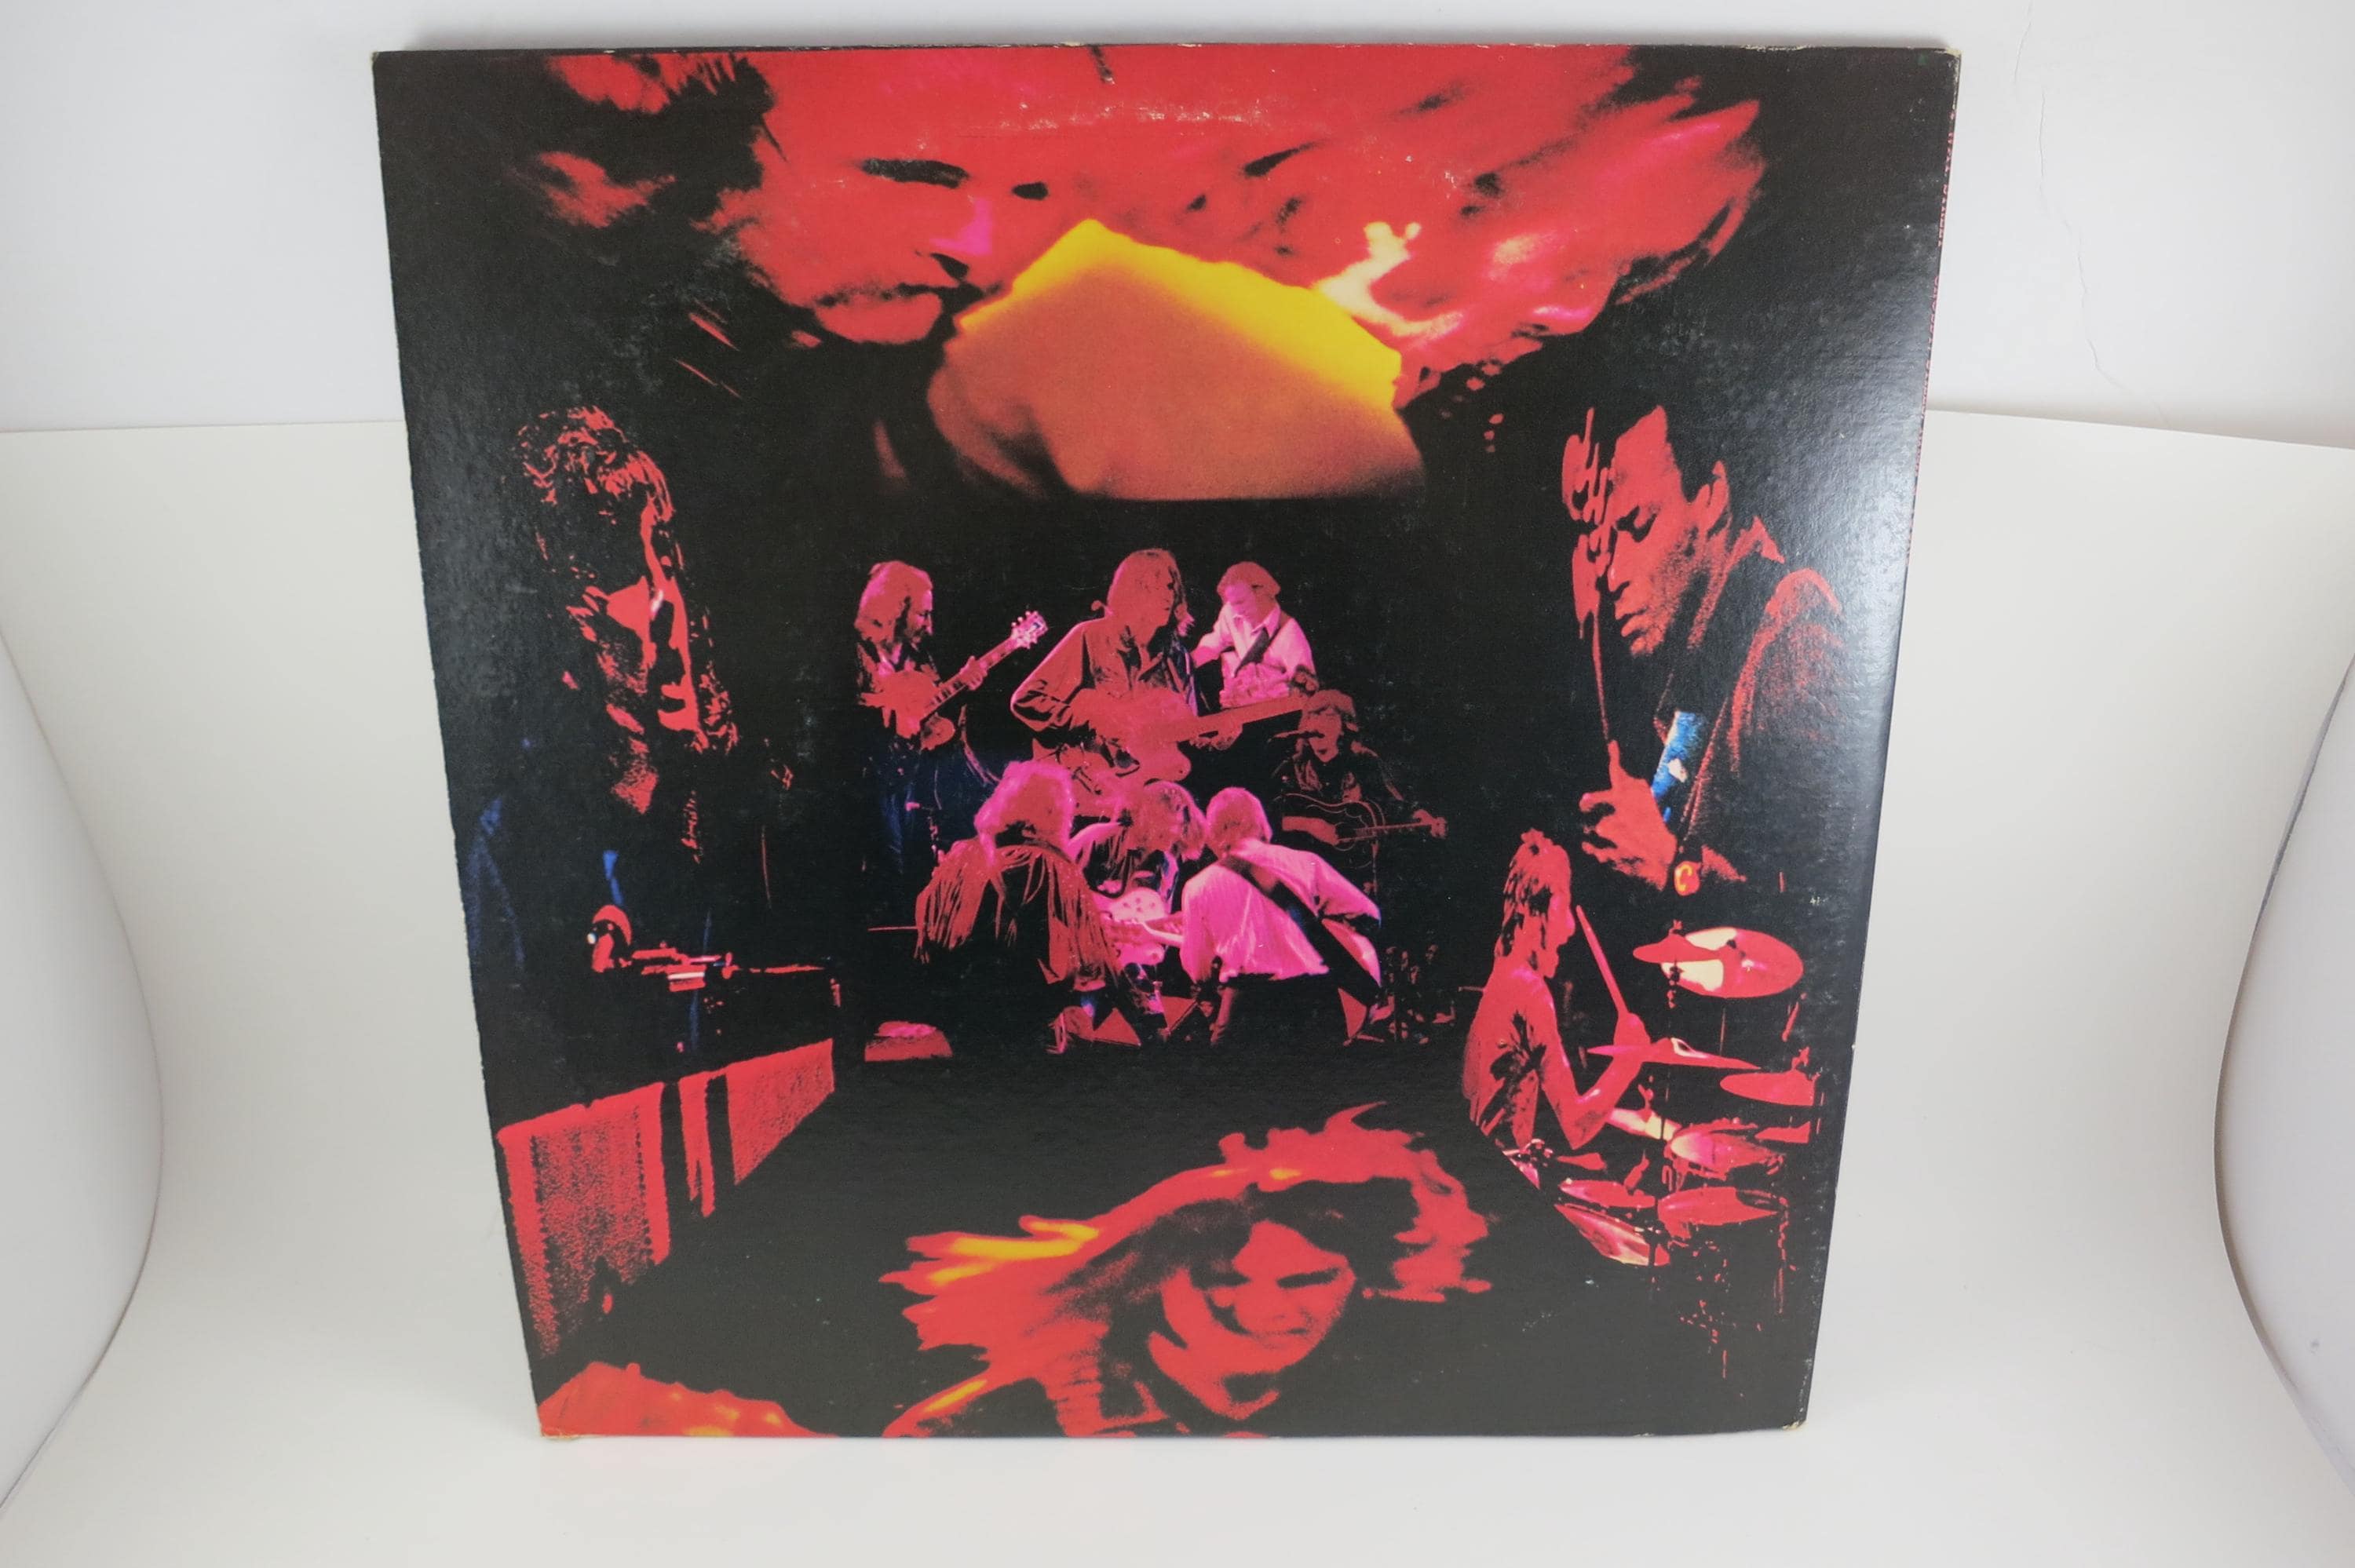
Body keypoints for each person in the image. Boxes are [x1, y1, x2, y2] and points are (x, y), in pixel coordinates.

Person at [884, 1109, 1488, 1435]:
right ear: (1151, 1279)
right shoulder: (983, 1427)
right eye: (1222, 1282)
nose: (1264, 1311)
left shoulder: (1388, 1386)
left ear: (1359, 1279)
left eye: (1307, 1281)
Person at [1564, 405, 1848, 910]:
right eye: (1609, 546)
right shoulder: (1712, 655)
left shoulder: (1794, 640)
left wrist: (1669, 866)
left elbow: (1830, 910)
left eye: (1639, 525)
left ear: (1713, 498)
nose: (1614, 575)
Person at [1462, 832, 1660, 1171]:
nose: (1569, 928)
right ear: (1538, 909)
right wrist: (1629, 1062)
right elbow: (1576, 1126)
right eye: (1563, 905)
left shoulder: (1502, 975)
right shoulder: (1529, 990)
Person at [914, 761, 1120, 1060]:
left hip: (960, 1008)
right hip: (1020, 1013)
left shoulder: (962, 856)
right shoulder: (1051, 865)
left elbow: (929, 929)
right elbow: (1091, 957)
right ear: (1054, 812)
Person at [1012, 549, 1232, 815]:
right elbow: (1027, 699)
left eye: (1170, 587)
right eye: (1153, 587)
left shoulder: (1178, 659)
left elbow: (1185, 734)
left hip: (1142, 800)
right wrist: (1090, 722)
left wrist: (1216, 740)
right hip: (1082, 789)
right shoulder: (1091, 637)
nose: (1167, 596)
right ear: (1131, 592)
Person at [1177, 788, 1380, 1049]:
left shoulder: (1198, 886)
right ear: (1261, 823)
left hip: (1248, 1005)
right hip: (1316, 999)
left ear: (1213, 833)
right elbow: (1368, 912)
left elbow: (1197, 968)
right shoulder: (1305, 861)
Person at [853, 561, 992, 904]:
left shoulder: (920, 658)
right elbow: (842, 713)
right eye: (922, 614)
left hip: (908, 778)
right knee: (886, 865)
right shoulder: (857, 654)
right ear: (893, 610)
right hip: (864, 778)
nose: (930, 624)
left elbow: (933, 725)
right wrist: (891, 716)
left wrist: (965, 688)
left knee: (911, 867)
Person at [1270, 689, 1444, 901]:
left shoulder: (1363, 762)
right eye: (1313, 717)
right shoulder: (1293, 768)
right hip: (1308, 877)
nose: (1318, 725)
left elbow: (1392, 803)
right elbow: (1269, 818)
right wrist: (1311, 825)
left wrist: (1423, 819)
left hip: (1357, 873)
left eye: (1329, 717)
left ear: (1344, 727)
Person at [1192, 562, 1316, 709]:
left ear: (1261, 592)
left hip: (1277, 712)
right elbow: (1215, 642)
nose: (1237, 611)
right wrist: (1187, 664)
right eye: (1232, 604)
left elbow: (1306, 692)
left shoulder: (1291, 634)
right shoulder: (1231, 611)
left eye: (1241, 602)